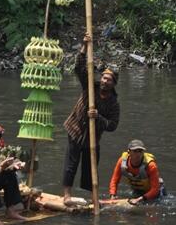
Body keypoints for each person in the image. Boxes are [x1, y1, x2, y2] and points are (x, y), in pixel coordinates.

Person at [62, 34, 120, 205]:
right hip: (75, 129)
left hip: (92, 138)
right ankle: (66, 194)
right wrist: (85, 45)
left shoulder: (114, 103)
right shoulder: (90, 86)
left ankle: (93, 197)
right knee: (71, 163)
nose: (104, 81)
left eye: (108, 80)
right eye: (103, 77)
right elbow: (79, 67)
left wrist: (98, 118)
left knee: (90, 167)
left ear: (113, 84)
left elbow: (113, 125)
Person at [109, 140, 166, 204]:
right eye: (135, 151)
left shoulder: (150, 165)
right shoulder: (122, 162)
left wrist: (139, 199)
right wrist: (112, 195)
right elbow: (114, 180)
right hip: (138, 191)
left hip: (156, 192)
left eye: (140, 151)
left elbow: (155, 189)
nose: (138, 154)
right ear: (129, 152)